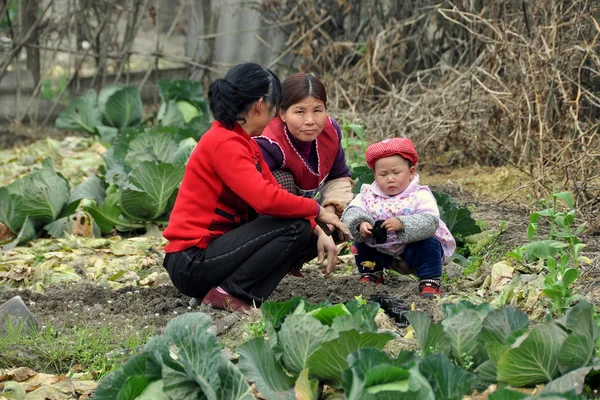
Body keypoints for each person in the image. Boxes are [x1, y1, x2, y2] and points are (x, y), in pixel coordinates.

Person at [162, 63, 351, 312]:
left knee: (306, 227)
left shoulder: (244, 141)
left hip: (214, 255)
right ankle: (231, 293)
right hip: (191, 261)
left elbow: (276, 193)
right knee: (297, 226)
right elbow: (266, 201)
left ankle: (228, 291)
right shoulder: (224, 143)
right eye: (275, 107)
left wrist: (320, 230)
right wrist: (316, 209)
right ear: (260, 105)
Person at [254, 73, 354, 275]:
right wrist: (316, 225)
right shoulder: (269, 141)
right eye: (299, 111)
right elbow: (266, 196)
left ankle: (290, 264)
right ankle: (269, 263)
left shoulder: (330, 132)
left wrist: (332, 211)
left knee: (349, 213)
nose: (310, 120)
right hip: (262, 219)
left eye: (318, 110)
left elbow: (339, 176)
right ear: (282, 113)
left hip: (305, 213)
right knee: (282, 181)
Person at [341, 138, 455, 298]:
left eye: (396, 173)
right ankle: (371, 273)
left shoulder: (419, 194)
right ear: (374, 174)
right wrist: (360, 223)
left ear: (411, 172)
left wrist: (403, 223)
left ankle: (430, 280)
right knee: (361, 244)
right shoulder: (368, 194)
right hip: (380, 249)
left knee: (430, 244)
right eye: (383, 174)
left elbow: (430, 221)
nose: (390, 178)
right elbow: (351, 211)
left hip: (411, 249)